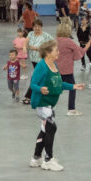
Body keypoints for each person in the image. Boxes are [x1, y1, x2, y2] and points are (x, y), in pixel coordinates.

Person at [29, 41, 83, 172]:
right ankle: (48, 160)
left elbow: (59, 84)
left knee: (45, 129)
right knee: (51, 127)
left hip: (50, 104)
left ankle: (36, 158)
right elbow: (32, 84)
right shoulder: (41, 66)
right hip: (41, 103)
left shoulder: (54, 65)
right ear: (48, 53)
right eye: (56, 50)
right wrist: (40, 89)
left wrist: (73, 86)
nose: (58, 52)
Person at [55, 20, 85, 116]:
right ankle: (71, 109)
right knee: (72, 88)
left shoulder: (54, 40)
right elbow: (77, 56)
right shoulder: (69, 41)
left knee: (55, 88)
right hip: (67, 70)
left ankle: (49, 106)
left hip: (55, 69)